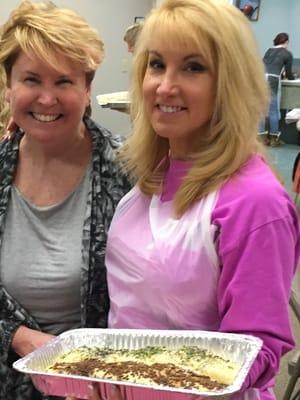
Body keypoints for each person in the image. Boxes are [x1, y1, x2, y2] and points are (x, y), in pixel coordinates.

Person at [87, 1, 300, 400]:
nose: (165, 86)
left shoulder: (253, 203)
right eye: (156, 64)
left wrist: (142, 384)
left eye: (193, 67)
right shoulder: (153, 174)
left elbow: (257, 352)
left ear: (229, 82)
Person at [0, 1, 130, 399]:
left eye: (64, 81)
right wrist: (18, 337)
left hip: (104, 386)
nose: (46, 98)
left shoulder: (131, 172)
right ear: (9, 86)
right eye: (31, 80)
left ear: (87, 87)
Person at [259, 32, 295, 147]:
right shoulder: (287, 54)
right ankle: (274, 139)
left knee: (261, 109)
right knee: (273, 110)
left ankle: (261, 138)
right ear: (286, 42)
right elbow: (289, 74)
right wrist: (291, 76)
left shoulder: (269, 51)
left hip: (260, 78)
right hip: (272, 80)